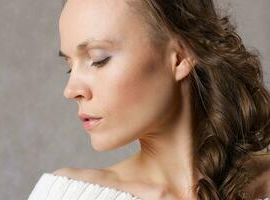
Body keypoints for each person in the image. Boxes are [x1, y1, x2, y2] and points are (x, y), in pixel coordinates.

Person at [28, 0, 270, 199]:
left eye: (98, 58)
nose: (71, 90)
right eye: (70, 67)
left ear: (179, 58)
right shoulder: (69, 195)